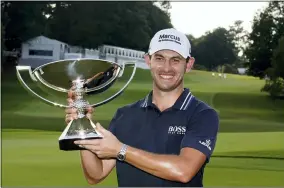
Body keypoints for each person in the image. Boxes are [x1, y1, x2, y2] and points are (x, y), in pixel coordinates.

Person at [65, 28, 219, 187]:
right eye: (159, 58)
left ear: (188, 64)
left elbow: (183, 170)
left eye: (175, 60)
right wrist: (83, 126)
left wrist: (121, 150)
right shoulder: (125, 115)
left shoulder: (202, 115)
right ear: (148, 60)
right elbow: (95, 175)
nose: (167, 68)